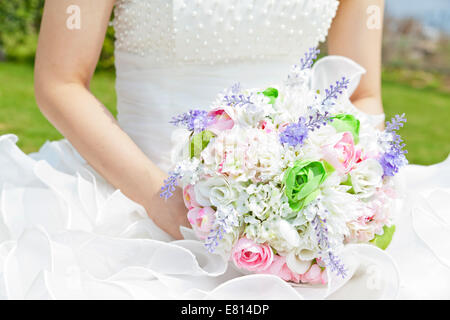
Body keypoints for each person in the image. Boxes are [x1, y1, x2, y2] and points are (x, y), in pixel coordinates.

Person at [0, 0, 448, 299]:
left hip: (307, 217)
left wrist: (346, 196)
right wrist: (163, 201)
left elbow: (363, 92)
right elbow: (59, 82)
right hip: (131, 195)